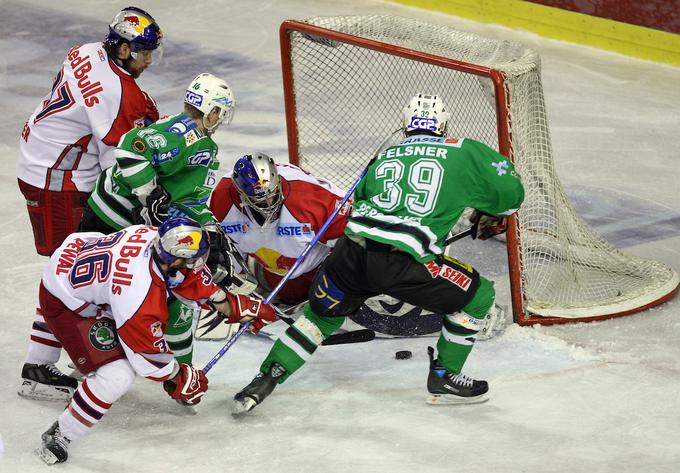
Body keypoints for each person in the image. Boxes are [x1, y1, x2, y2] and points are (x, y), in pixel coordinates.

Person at [232, 93, 525, 414]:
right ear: (443, 125)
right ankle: (446, 374)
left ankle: (265, 379)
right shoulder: (465, 150)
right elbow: (512, 195)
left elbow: (359, 200)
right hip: (403, 261)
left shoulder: (385, 156)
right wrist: (491, 211)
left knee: (319, 319)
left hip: (348, 253)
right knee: (479, 295)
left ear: (405, 125)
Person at [18, 72, 236, 400]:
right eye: (220, 110)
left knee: (83, 283)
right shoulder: (180, 133)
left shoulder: (202, 145)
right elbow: (130, 150)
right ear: (211, 110)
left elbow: (189, 199)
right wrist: (149, 192)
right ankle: (60, 359)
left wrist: (210, 227)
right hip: (110, 216)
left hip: (124, 224)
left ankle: (59, 359)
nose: (221, 118)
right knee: (79, 284)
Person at [32, 217, 276, 464]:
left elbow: (185, 277)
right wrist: (178, 376)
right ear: (178, 260)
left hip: (74, 262)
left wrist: (228, 303)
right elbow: (146, 357)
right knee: (117, 375)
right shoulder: (138, 295)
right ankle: (60, 434)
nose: (198, 264)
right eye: (193, 259)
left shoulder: (157, 240)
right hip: (65, 300)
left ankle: (36, 365)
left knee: (139, 307)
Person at [17, 6, 163, 257]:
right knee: (71, 263)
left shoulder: (86, 50)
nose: (149, 61)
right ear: (124, 49)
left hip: (40, 150)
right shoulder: (119, 95)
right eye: (145, 53)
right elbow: (119, 164)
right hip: (55, 177)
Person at [208, 152, 350, 307]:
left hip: (320, 274)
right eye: (260, 199)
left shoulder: (309, 196)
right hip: (274, 278)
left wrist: (345, 286)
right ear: (241, 193)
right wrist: (234, 298)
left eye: (272, 193)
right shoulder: (224, 199)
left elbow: (353, 239)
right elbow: (226, 253)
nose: (269, 203)